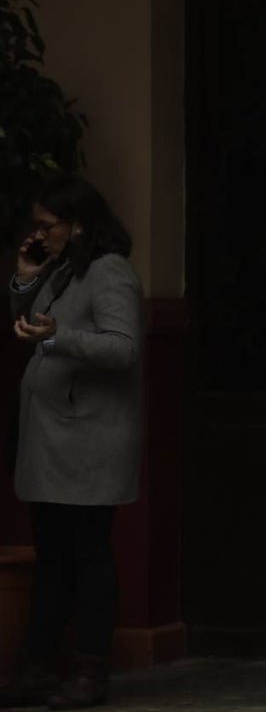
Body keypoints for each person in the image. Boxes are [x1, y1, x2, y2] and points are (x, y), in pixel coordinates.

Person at [0, 175, 143, 710]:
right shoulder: (62, 268)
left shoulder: (110, 272)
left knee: (89, 554)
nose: (39, 233)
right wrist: (24, 276)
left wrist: (58, 336)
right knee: (53, 555)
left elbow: (123, 348)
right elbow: (22, 316)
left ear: (80, 224)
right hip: (51, 437)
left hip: (89, 440)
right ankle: (38, 668)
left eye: (47, 225)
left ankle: (91, 672)